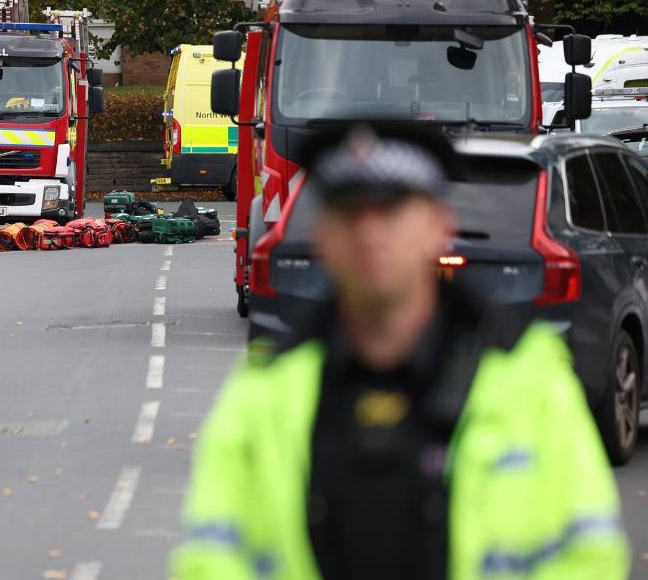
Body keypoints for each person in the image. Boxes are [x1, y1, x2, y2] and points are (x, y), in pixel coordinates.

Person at [171, 124, 629, 579]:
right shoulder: (264, 393)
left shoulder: (531, 388)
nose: (370, 232)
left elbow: (589, 559)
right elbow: (211, 559)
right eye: (350, 213)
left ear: (438, 227)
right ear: (323, 236)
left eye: (391, 210)